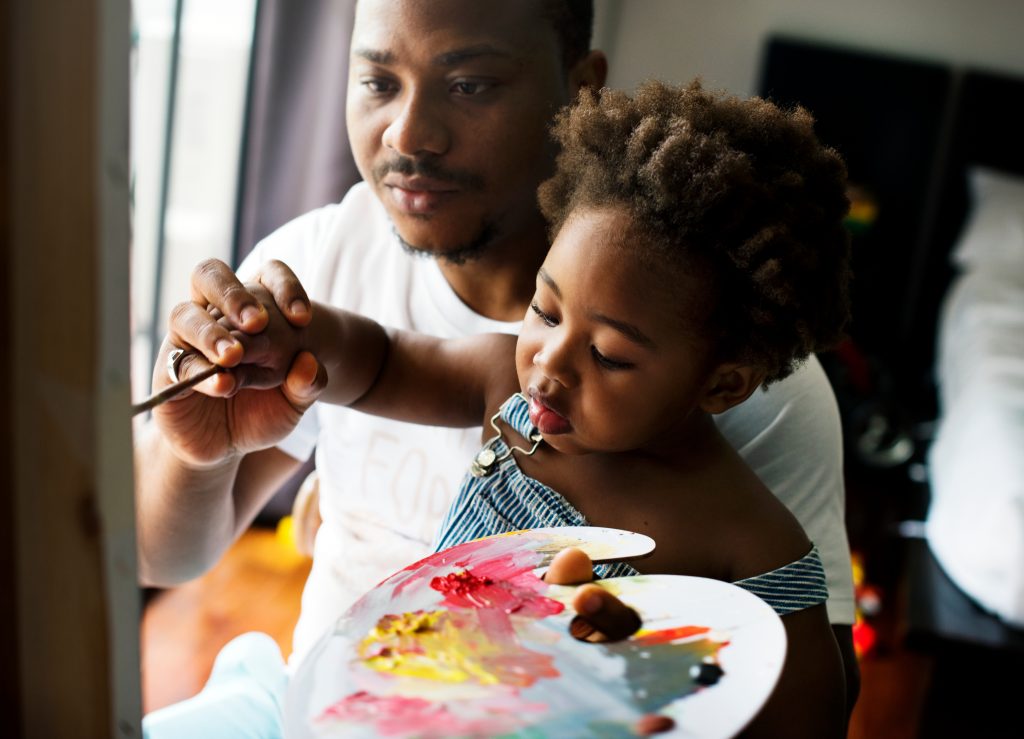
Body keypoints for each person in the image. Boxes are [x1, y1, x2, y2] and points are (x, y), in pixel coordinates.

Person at [135, 0, 858, 724]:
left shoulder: (754, 506)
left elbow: (812, 705)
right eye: (543, 313)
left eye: (470, 84)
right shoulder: (488, 374)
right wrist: (293, 344)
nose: (549, 365)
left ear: (724, 383)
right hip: (342, 705)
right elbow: (383, 361)